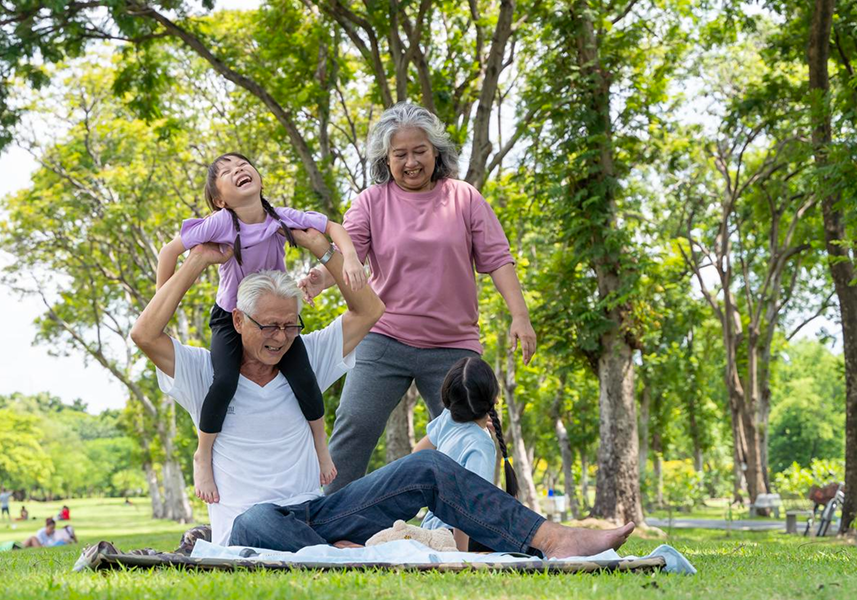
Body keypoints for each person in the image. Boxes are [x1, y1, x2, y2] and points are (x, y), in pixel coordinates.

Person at [131, 227, 632, 556]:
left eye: (290, 326)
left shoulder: (303, 360)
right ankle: (354, 556)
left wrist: (326, 250)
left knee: (430, 466)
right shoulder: (205, 373)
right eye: (268, 327)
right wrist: (195, 262)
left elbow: (368, 311)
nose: (281, 337)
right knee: (259, 518)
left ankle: (551, 538)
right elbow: (145, 335)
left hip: (319, 514)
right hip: (252, 531)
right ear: (237, 320)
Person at [299, 102, 538, 494]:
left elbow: (498, 259)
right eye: (400, 154)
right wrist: (318, 279)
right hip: (385, 337)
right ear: (386, 159)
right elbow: (349, 256)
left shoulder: (464, 198)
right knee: (354, 423)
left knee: (472, 435)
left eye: (419, 151)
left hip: (452, 345)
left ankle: (472, 524)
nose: (411, 162)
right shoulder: (371, 202)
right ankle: (327, 519)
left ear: (436, 151)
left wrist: (520, 316)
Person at [157, 152, 365, 505]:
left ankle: (320, 444)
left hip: (275, 317)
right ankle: (202, 454)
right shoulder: (220, 223)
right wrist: (163, 301)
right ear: (220, 199)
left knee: (304, 380)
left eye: (242, 164)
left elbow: (332, 228)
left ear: (258, 178)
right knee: (223, 381)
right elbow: (168, 252)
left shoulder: (280, 217)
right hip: (230, 318)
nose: (237, 169)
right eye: (225, 171)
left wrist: (351, 259)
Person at [412, 356, 518, 551]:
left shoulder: (447, 418)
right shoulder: (480, 446)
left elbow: (416, 455)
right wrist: (460, 555)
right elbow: (466, 510)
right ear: (494, 399)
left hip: (432, 526)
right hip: (454, 537)